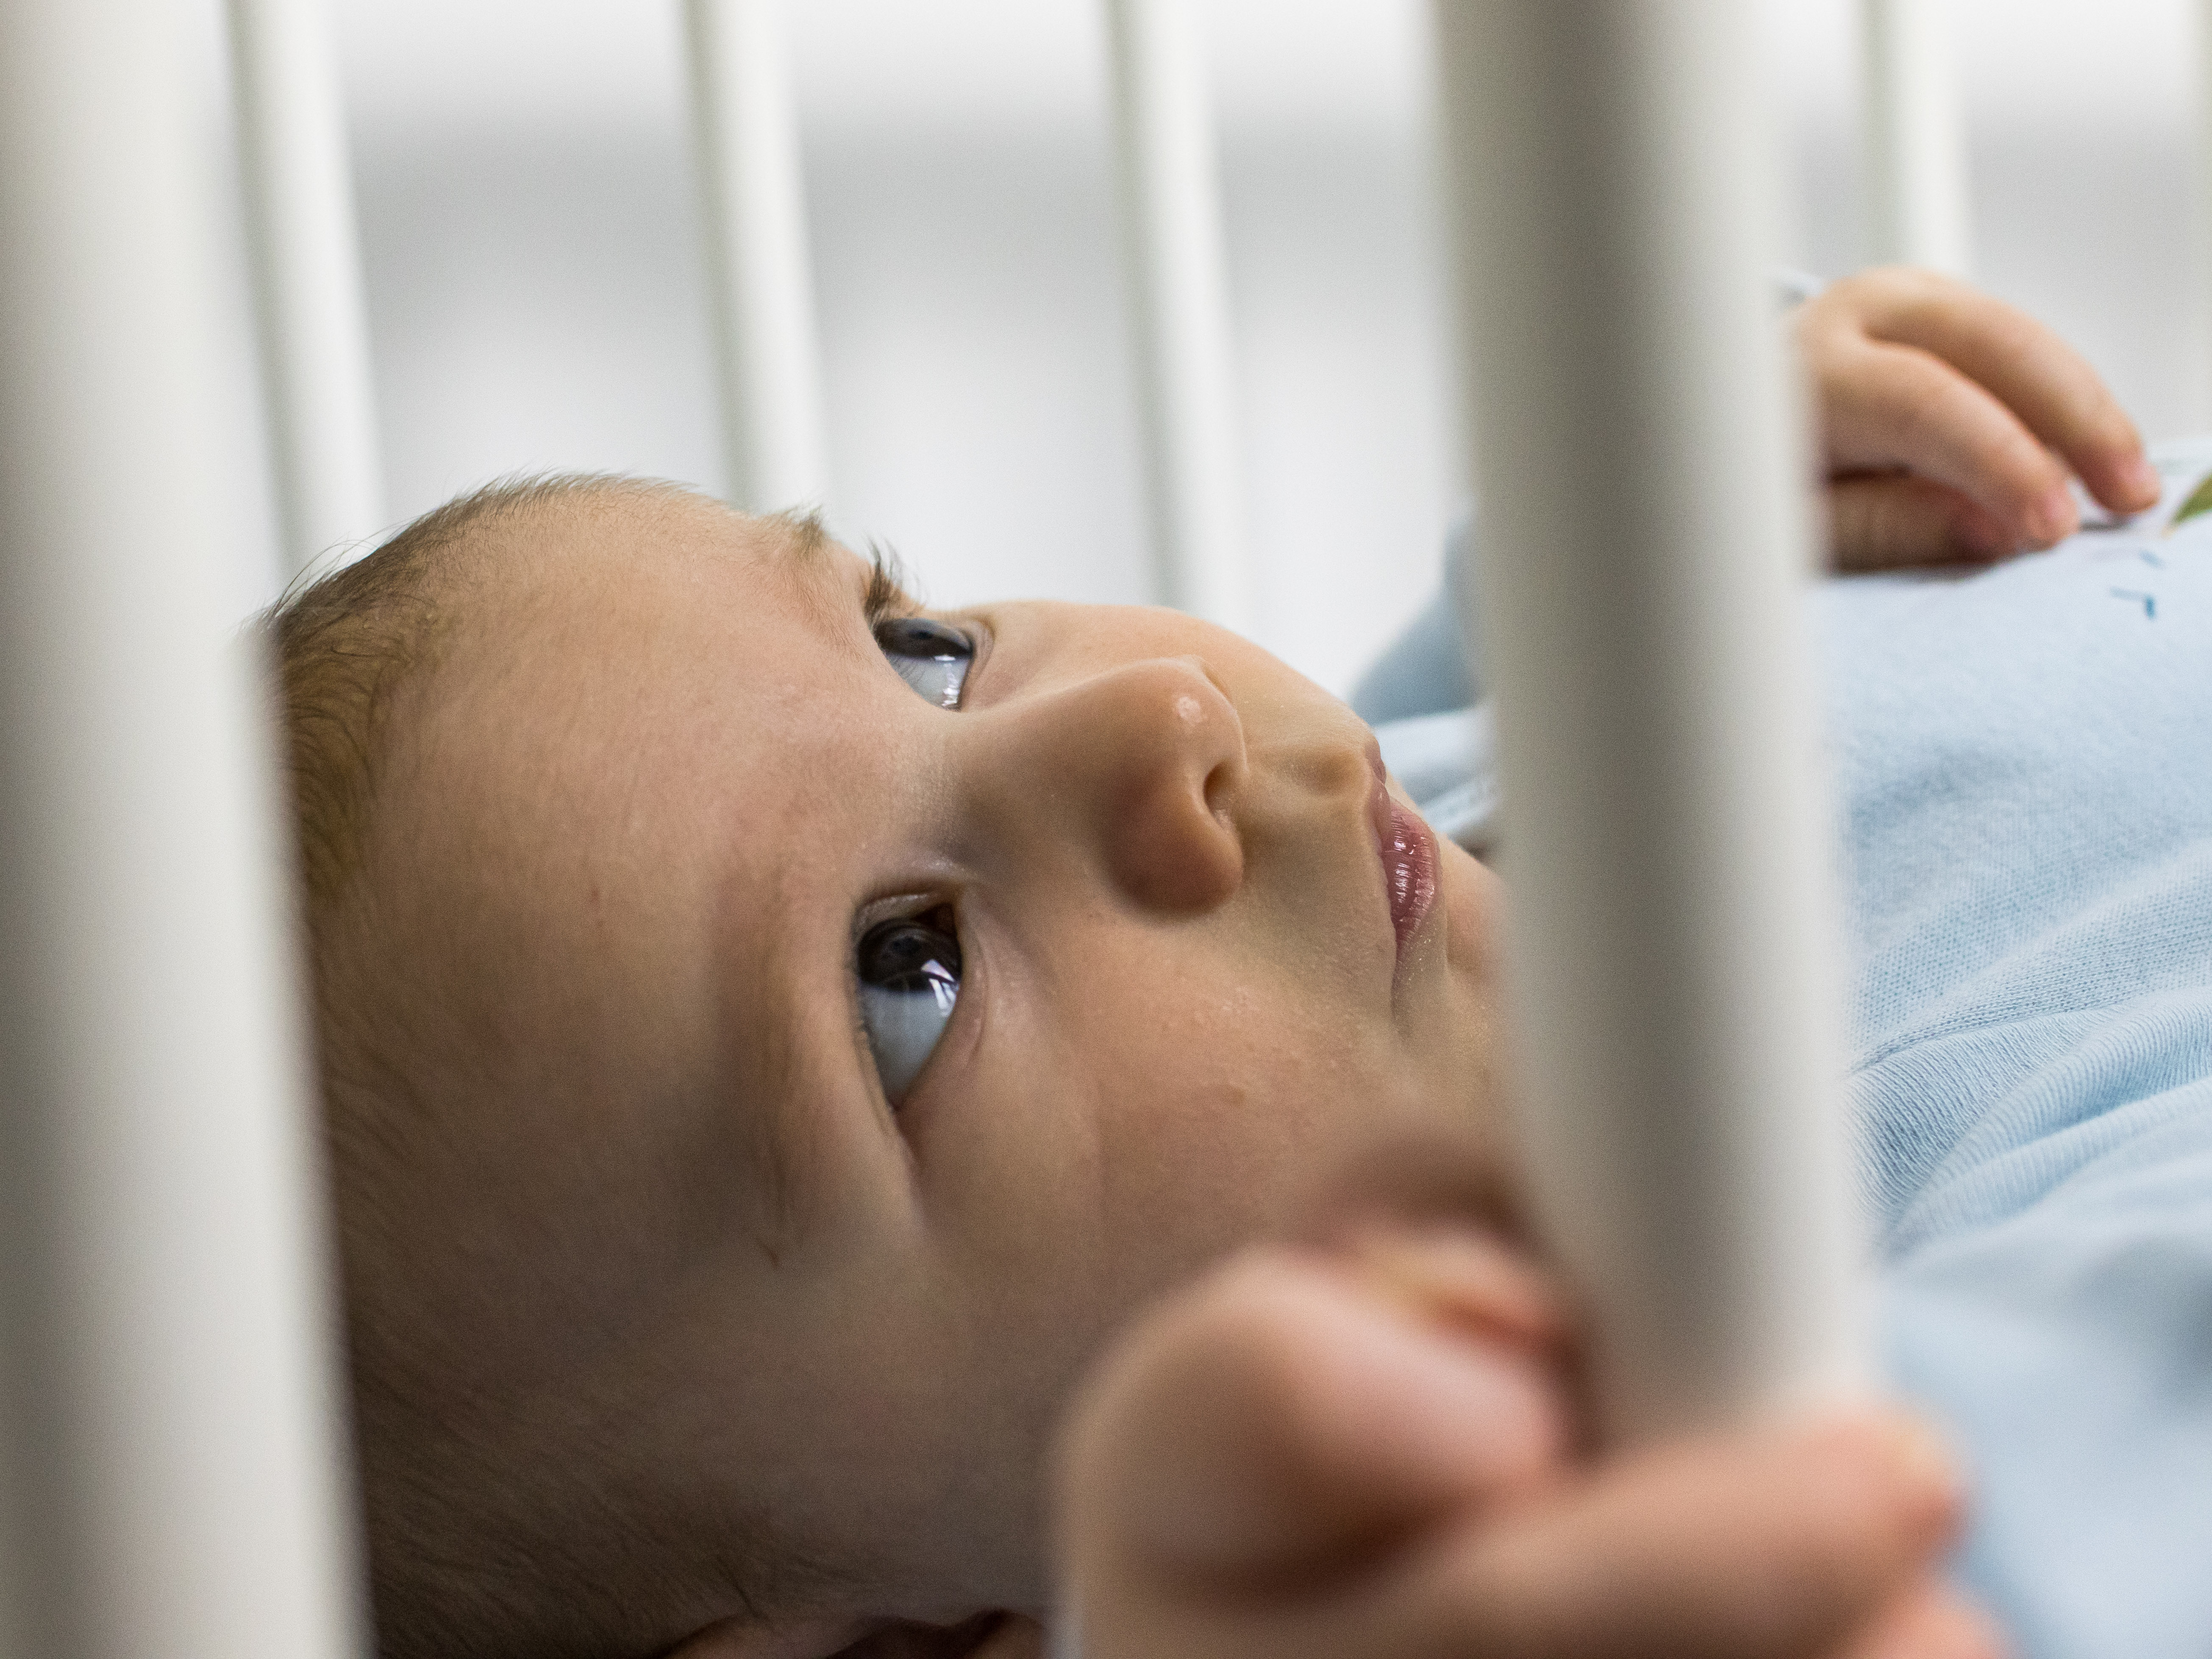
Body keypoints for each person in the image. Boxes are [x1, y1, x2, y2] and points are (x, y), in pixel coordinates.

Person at [273, 267, 2178, 1659]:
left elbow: (1448, 685)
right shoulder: (1812, 1360)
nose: (1155, 717)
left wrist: (1648, 517)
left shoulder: (1424, 832)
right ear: (927, 1639)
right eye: (905, 979)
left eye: (919, 642)